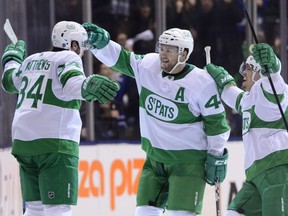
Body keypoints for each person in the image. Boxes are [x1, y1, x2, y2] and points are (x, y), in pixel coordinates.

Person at [82, 23, 230, 216]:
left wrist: (216, 154)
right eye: (162, 48)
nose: (163, 53)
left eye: (170, 50)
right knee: (143, 213)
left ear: (184, 54)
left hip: (187, 164)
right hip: (154, 161)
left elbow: (217, 124)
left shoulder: (202, 83)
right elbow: (120, 59)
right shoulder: (148, 65)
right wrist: (100, 45)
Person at [1, 21, 119, 216]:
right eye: (80, 46)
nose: (81, 51)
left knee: (34, 209)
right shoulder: (68, 57)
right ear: (72, 44)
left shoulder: (30, 60)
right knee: (58, 210)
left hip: (23, 144)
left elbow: (9, 81)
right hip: (54, 145)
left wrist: (12, 59)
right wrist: (87, 85)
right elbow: (71, 82)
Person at [206, 43, 288, 216]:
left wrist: (272, 64)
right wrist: (220, 78)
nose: (243, 72)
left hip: (278, 171)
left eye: (249, 68)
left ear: (259, 72)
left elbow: (275, 80)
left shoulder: (270, 92)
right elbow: (231, 94)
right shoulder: (248, 99)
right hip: (255, 177)